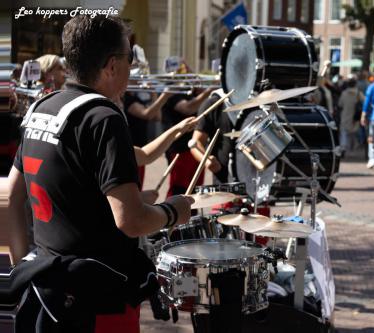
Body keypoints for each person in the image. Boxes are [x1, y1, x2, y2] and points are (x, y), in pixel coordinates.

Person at [6, 15, 193, 333]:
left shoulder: (41, 108)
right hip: (97, 299)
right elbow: (130, 221)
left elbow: (11, 197)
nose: (132, 68)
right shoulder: (104, 118)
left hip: (45, 292)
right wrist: (173, 211)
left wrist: (27, 269)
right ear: (111, 65)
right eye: (130, 57)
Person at [162, 84, 214, 196]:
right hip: (180, 150)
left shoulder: (196, 95)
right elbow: (188, 108)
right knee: (179, 190)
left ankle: (193, 214)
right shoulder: (175, 95)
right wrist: (209, 90)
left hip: (196, 149)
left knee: (196, 192)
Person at [190, 89, 234, 184]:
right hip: (224, 178)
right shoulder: (213, 103)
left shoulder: (260, 101)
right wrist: (206, 161)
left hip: (258, 176)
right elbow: (196, 143)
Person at [338, 74, 364, 153]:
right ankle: (356, 144)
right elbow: (364, 102)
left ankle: (343, 147)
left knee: (344, 132)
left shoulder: (344, 93)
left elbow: (340, 104)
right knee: (355, 132)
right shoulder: (358, 93)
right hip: (355, 116)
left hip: (345, 115)